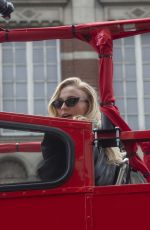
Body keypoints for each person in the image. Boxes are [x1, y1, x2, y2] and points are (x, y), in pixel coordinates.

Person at [45, 77, 131, 186]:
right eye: (58, 103)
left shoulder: (74, 136)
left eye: (71, 101)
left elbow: (49, 177)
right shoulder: (103, 137)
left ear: (88, 105)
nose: (63, 107)